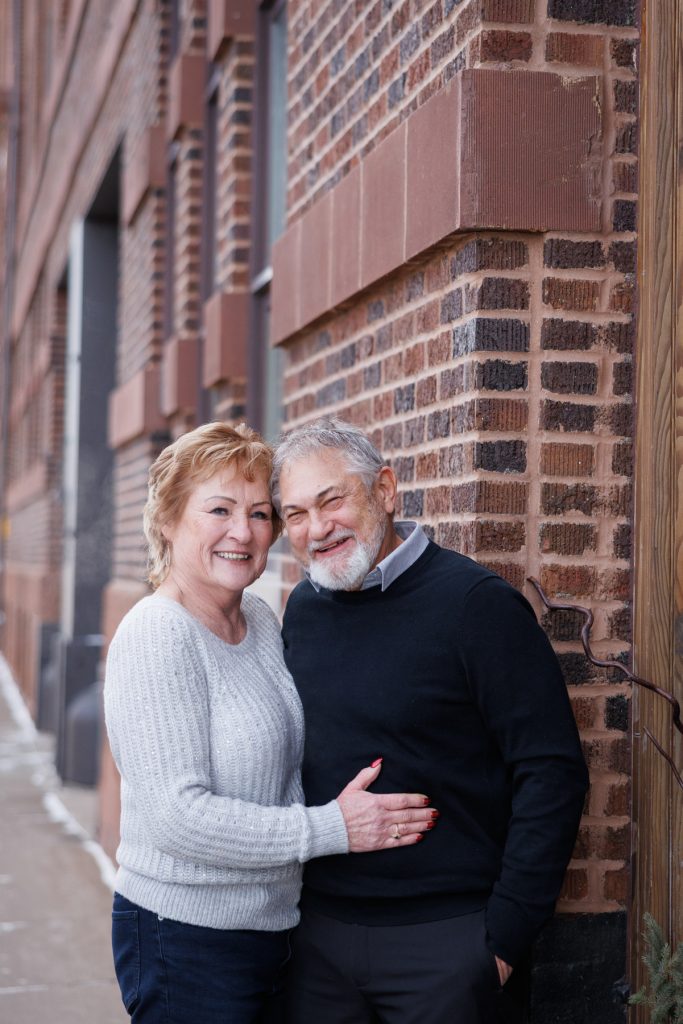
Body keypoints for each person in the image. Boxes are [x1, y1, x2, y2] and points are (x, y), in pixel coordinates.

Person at [103, 422, 437, 1024]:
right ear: (168, 521)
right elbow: (179, 818)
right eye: (220, 510)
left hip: (273, 930)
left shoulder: (257, 619)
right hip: (185, 936)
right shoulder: (156, 634)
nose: (243, 532)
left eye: (260, 514)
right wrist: (331, 829)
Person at [271, 417, 590, 1024]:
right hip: (318, 945)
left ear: (385, 491)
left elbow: (551, 772)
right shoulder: (304, 610)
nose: (317, 529)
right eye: (293, 513)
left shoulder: (476, 606)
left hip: (446, 947)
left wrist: (501, 942)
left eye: (332, 500)